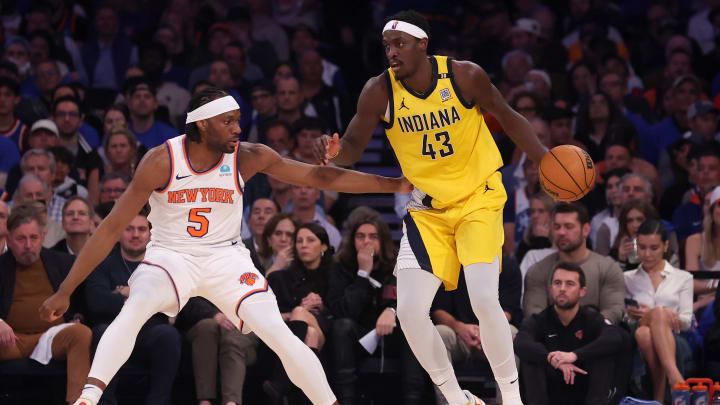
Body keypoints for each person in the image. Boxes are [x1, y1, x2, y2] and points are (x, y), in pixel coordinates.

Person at [39, 86, 411, 405]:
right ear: (202, 123)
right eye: (228, 121)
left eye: (238, 119)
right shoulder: (160, 160)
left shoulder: (248, 156)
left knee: (277, 331)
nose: (238, 128)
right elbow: (108, 230)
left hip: (226, 257)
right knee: (136, 308)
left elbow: (319, 176)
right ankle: (88, 397)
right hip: (172, 255)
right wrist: (64, 291)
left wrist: (390, 184)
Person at [312, 10, 548, 405]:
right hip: (429, 210)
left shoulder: (464, 76)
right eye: (386, 45)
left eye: (399, 43)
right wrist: (335, 152)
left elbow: (508, 117)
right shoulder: (378, 90)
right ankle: (458, 399)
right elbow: (353, 146)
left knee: (485, 301)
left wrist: (545, 158)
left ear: (423, 44)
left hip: (478, 199)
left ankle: (511, 398)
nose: (391, 52)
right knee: (408, 312)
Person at [327, 207, 426, 405]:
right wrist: (363, 274)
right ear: (352, 240)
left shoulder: (397, 264)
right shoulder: (340, 266)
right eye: (360, 236)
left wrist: (392, 311)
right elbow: (343, 311)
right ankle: (346, 401)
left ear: (383, 240)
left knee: (413, 330)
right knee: (341, 326)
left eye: (373, 236)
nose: (366, 242)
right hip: (358, 338)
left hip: (393, 337)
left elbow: (415, 301)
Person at [84, 205, 181, 405]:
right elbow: (96, 301)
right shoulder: (102, 264)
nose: (135, 234)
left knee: (168, 335)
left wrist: (122, 293)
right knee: (102, 332)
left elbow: (175, 300)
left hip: (149, 333)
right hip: (112, 330)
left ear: (150, 234)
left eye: (141, 229)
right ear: (119, 233)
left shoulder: (163, 264)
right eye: (129, 229)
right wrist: (145, 299)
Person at [0, 202, 92, 404]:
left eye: (33, 238)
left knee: (82, 333)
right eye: (21, 239)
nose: (28, 245)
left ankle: (78, 402)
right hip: (11, 342)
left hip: (52, 339)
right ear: (9, 240)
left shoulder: (62, 263)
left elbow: (80, 304)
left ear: (42, 237)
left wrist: (77, 317)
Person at [514, 262, 627, 405]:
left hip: (583, 386)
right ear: (551, 289)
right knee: (531, 359)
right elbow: (520, 342)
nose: (562, 289)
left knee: (604, 354)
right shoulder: (539, 319)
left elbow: (614, 338)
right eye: (557, 283)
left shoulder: (591, 318)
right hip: (549, 389)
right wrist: (551, 358)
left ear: (582, 291)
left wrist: (574, 355)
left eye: (569, 284)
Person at [432, 253, 523, 405]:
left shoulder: (508, 265)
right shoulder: (449, 262)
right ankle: (448, 402)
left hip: (493, 333)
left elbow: (509, 311)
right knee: (440, 332)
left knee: (512, 333)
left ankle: (508, 402)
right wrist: (459, 327)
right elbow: (437, 310)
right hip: (457, 335)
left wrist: (486, 330)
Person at [265, 223, 337, 403]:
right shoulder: (283, 277)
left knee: (301, 315)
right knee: (309, 334)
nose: (303, 245)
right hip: (299, 332)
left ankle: (280, 383)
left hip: (328, 330)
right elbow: (269, 315)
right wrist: (299, 312)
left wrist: (321, 307)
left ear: (323, 246)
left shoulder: (335, 274)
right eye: (299, 241)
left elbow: (342, 310)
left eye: (310, 240)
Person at [624, 219, 693, 403]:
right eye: (642, 247)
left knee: (646, 334)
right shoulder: (627, 278)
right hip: (634, 331)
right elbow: (623, 316)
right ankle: (675, 378)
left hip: (674, 337)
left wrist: (667, 316)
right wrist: (637, 314)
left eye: (654, 248)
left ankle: (658, 397)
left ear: (666, 245)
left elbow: (687, 320)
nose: (647, 254)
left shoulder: (683, 278)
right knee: (654, 317)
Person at [523, 203, 626, 325]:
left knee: (619, 338)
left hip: (596, 334)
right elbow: (534, 312)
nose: (561, 232)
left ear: (586, 230)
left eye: (568, 226)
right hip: (550, 335)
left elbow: (613, 308)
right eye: (557, 227)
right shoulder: (538, 270)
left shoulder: (608, 268)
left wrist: (591, 330)